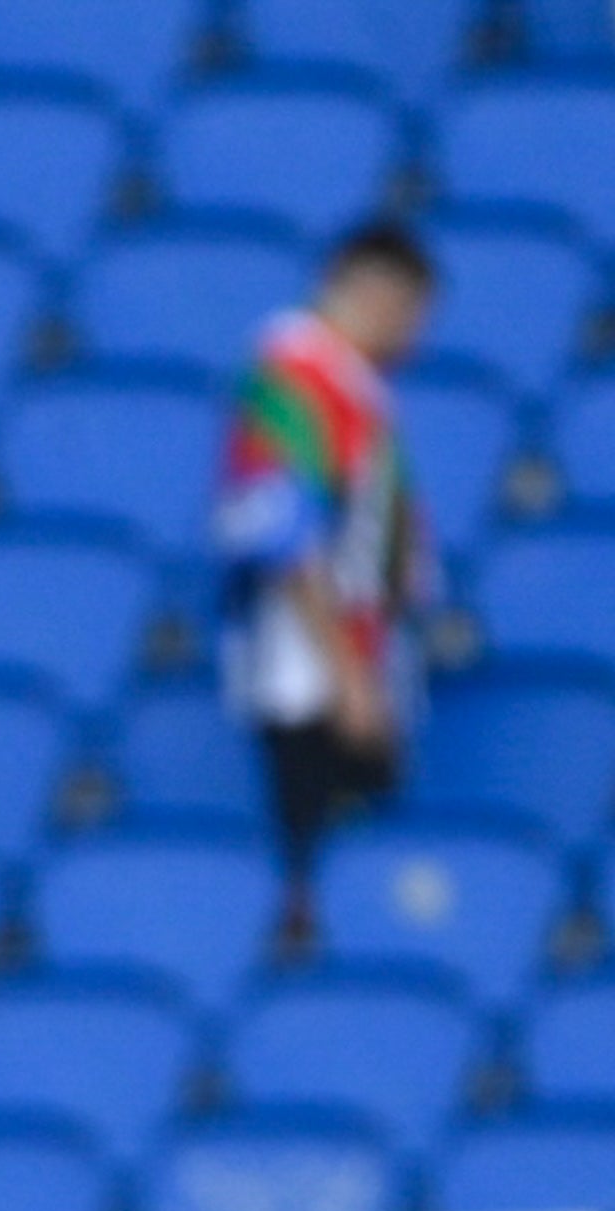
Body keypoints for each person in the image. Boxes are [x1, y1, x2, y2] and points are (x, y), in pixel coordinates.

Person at [219, 219, 435, 941]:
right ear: (378, 295)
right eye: (414, 313)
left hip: (350, 660)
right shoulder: (298, 381)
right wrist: (349, 675)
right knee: (329, 884)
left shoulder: (347, 385)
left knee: (361, 880)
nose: (416, 337)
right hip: (311, 677)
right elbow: (283, 534)